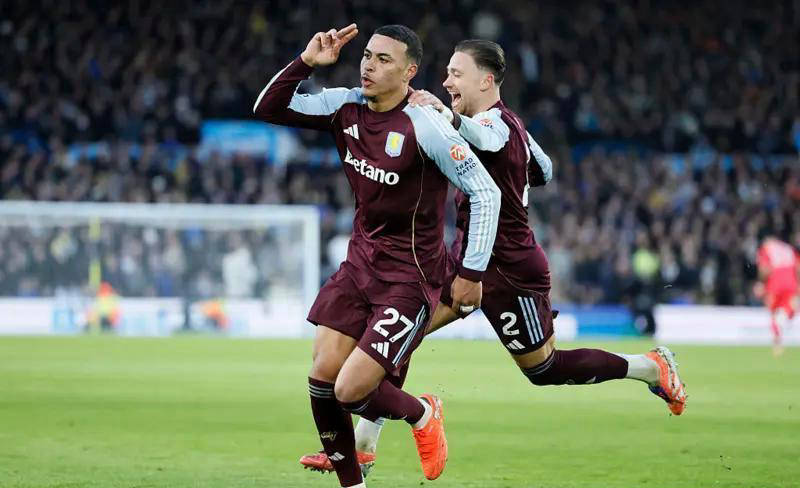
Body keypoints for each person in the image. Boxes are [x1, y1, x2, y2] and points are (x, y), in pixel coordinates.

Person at [301, 39, 688, 476]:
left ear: (486, 81)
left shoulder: (494, 124)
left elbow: (488, 135)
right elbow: (545, 169)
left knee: (544, 368)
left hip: (509, 270)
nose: (447, 82)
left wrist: (451, 120)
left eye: (456, 74)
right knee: (401, 333)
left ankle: (649, 367)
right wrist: (510, 167)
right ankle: (363, 444)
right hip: (468, 258)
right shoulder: (513, 124)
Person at [253, 25, 501, 487]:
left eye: (384, 60)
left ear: (409, 72)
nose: (368, 65)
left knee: (350, 390)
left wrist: (471, 273)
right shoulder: (344, 106)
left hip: (409, 279)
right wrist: (306, 63)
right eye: (367, 55)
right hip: (359, 267)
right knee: (322, 376)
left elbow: (486, 192)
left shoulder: (425, 124)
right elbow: (268, 108)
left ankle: (422, 412)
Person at [755, 236, 799, 356]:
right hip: (791, 284)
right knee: (790, 310)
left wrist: (761, 283)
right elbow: (798, 267)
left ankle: (777, 343)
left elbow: (764, 269)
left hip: (774, 285)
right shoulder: (788, 248)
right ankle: (784, 317)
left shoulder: (766, 248)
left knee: (774, 314)